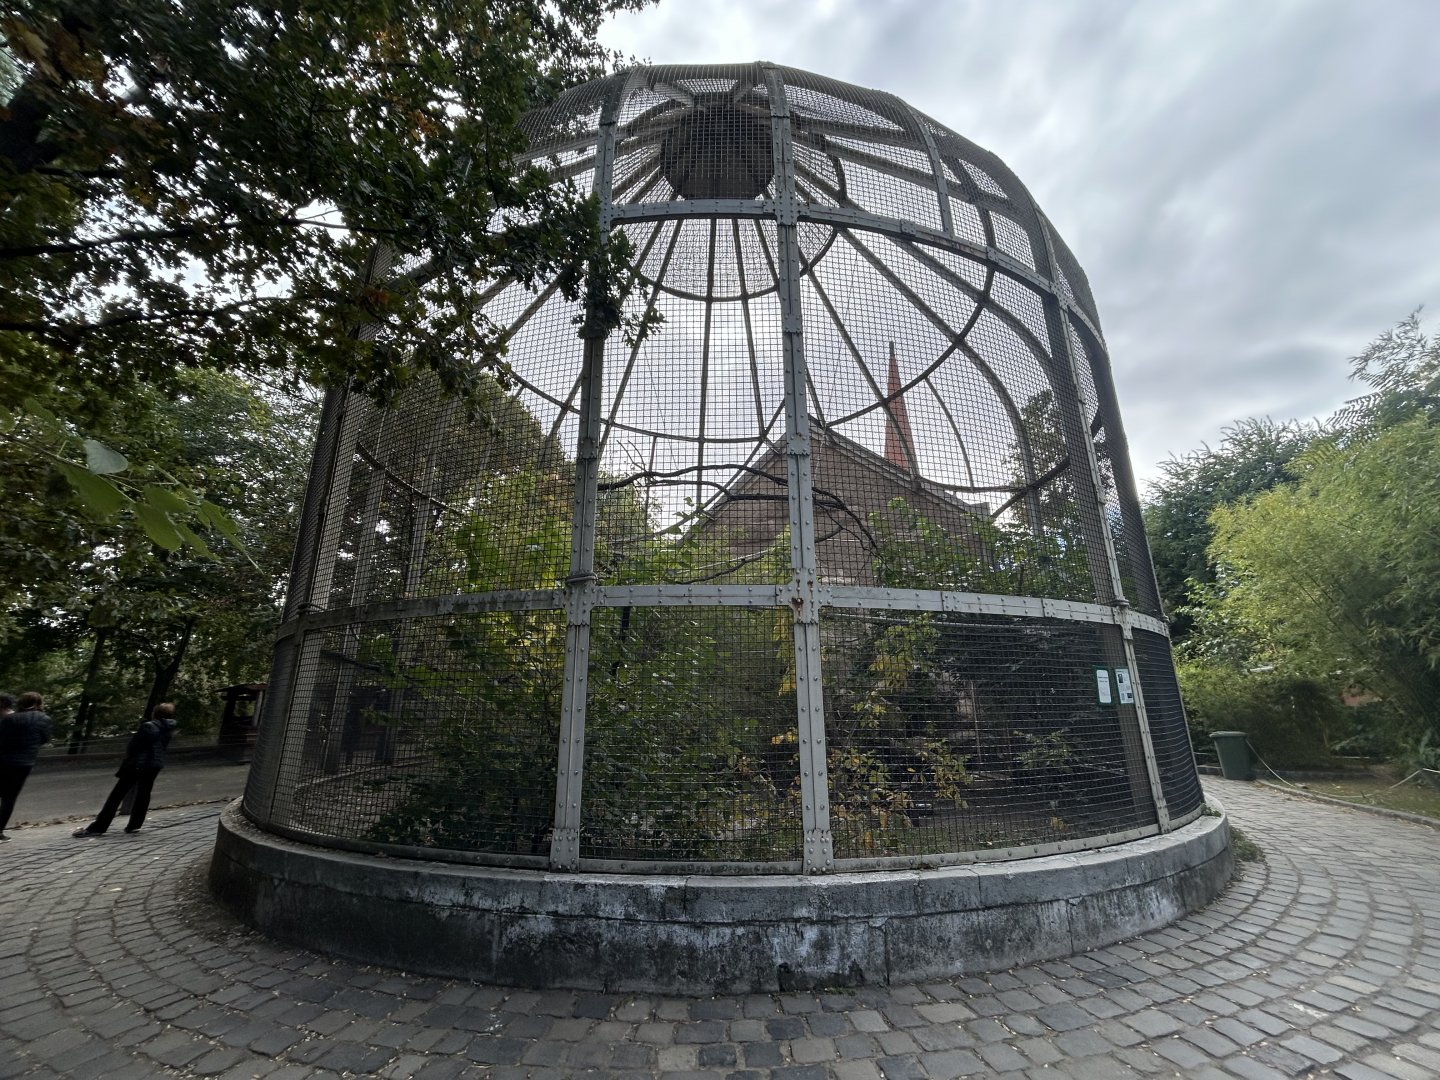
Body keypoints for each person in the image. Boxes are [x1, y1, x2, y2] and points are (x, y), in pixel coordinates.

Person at [74, 702, 178, 837]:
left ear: (155, 713)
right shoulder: (168, 729)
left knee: (116, 795)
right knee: (144, 795)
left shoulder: (148, 726)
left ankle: (99, 827)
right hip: (154, 765)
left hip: (137, 765)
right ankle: (134, 825)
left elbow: (134, 747)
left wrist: (128, 759)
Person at [1, 692, 53, 843]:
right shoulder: (45, 719)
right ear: (39, 703)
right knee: (9, 798)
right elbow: (44, 739)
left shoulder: (10, 719)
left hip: (3, 760)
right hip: (24, 763)